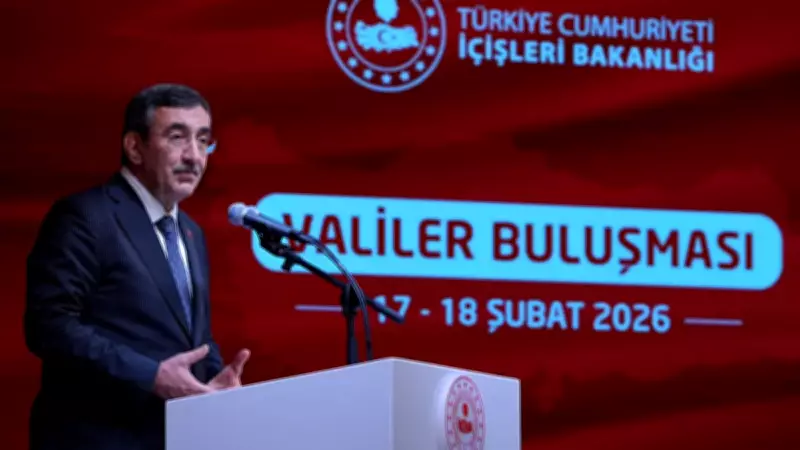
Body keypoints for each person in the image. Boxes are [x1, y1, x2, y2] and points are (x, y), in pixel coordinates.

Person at [24, 83, 250, 450]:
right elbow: (49, 325)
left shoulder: (190, 232)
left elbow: (192, 336)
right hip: (96, 437)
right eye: (177, 137)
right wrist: (151, 375)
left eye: (203, 140)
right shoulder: (86, 217)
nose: (194, 156)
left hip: (170, 438)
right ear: (134, 146)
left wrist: (213, 381)